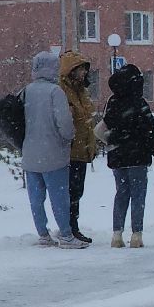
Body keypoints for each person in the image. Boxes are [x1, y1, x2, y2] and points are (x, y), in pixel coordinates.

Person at [22, 51, 84, 248]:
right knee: (59, 198)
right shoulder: (55, 92)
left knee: (36, 199)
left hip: (30, 154)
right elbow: (64, 123)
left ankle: (43, 234)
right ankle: (66, 235)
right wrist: (69, 136)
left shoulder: (26, 91)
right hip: (53, 154)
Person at [102, 63, 154, 247]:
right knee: (138, 195)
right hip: (137, 156)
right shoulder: (140, 103)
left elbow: (106, 126)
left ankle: (116, 235)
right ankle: (136, 235)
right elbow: (150, 132)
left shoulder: (112, 102)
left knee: (121, 194)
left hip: (117, 156)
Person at [58, 51, 98, 242]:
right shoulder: (62, 91)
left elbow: (87, 121)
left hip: (81, 149)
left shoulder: (82, 91)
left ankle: (72, 227)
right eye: (80, 69)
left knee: (77, 190)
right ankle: (69, 228)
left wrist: (92, 145)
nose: (84, 73)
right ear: (71, 70)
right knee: (71, 191)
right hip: (69, 150)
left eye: (84, 69)